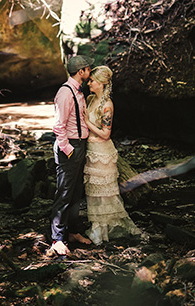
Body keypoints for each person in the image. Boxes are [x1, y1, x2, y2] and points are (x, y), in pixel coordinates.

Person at [83, 65, 141, 245]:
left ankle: (107, 229)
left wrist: (86, 122)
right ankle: (97, 227)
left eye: (92, 81)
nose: (89, 83)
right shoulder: (90, 99)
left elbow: (106, 133)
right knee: (93, 192)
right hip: (90, 151)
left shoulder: (107, 105)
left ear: (101, 83)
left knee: (106, 192)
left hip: (103, 153)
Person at [48, 54, 94, 256]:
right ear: (81, 71)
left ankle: (73, 232)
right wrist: (69, 150)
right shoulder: (65, 93)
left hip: (79, 145)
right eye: (88, 69)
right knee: (64, 193)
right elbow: (58, 126)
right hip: (70, 148)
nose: (90, 72)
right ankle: (57, 239)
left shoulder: (78, 90)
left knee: (76, 193)